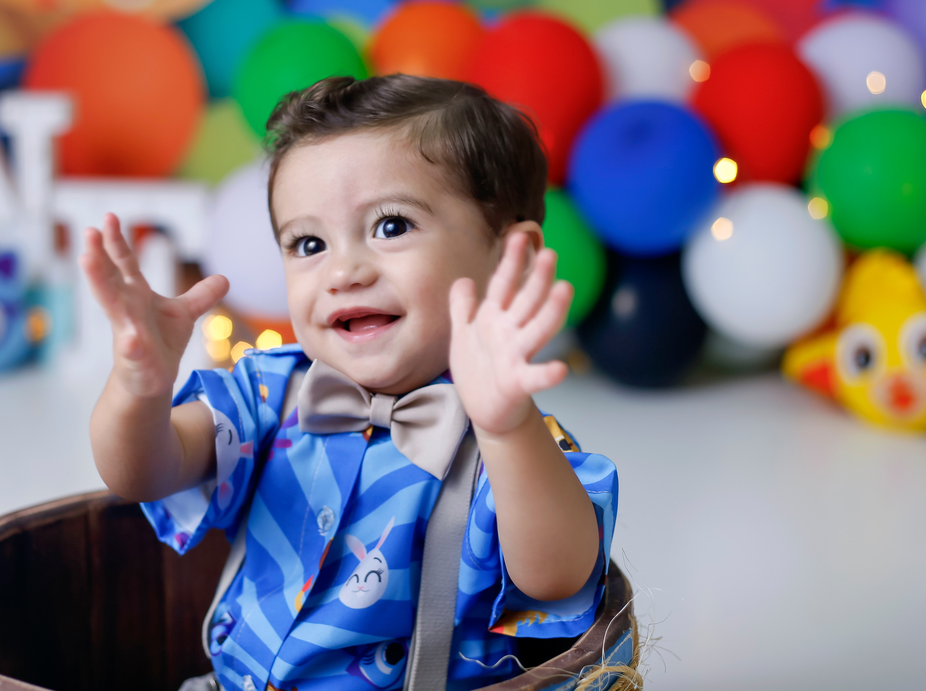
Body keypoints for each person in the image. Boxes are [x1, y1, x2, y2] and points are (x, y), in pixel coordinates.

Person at [82, 75, 619, 691]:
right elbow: (141, 472)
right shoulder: (268, 394)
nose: (343, 271)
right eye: (308, 243)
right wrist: (138, 387)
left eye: (391, 226)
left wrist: (507, 427)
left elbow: (558, 580)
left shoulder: (515, 445)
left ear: (508, 260)